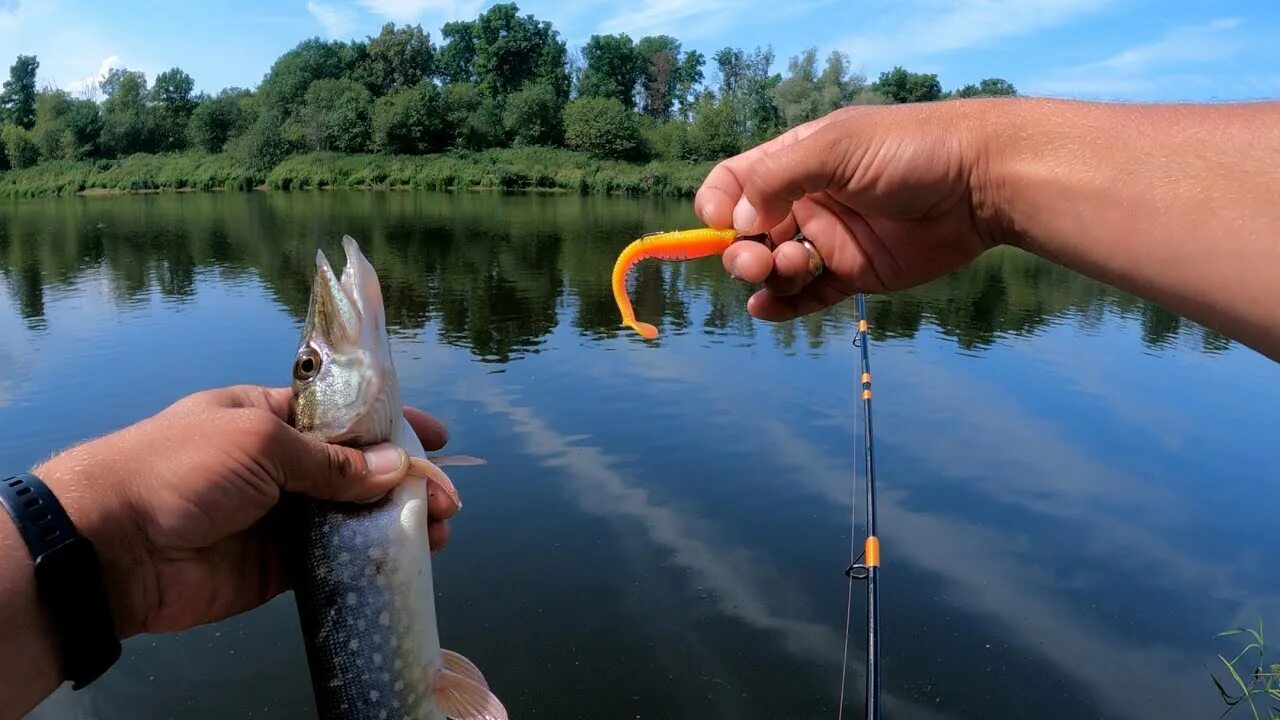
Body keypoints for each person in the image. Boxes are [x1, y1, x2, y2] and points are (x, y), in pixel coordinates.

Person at [2, 96, 1277, 718]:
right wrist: (100, 535)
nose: (318, 361)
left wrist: (100, 542)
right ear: (319, 435)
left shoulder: (348, 448)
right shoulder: (342, 458)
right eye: (304, 377)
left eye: (303, 377)